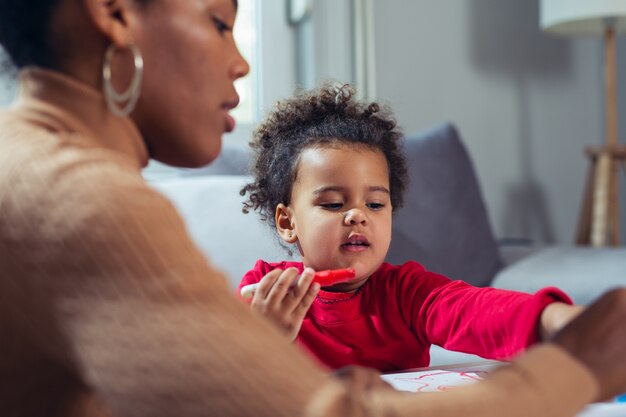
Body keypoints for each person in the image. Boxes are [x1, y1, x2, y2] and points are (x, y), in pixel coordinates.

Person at [0, 0, 625, 416]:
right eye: (219, 22)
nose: (240, 62)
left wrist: (549, 325)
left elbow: (473, 308)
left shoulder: (28, 162)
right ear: (111, 12)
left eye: (375, 201)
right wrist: (575, 371)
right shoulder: (84, 201)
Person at [238, 84, 583, 372]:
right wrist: (264, 339)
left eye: (375, 205)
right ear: (288, 222)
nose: (358, 216)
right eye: (333, 204)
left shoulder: (406, 294)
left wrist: (561, 321)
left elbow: (476, 312)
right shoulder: (265, 290)